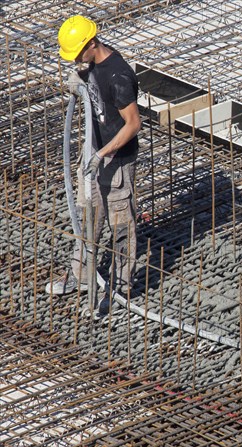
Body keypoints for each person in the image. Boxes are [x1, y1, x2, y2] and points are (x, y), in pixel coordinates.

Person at [46, 15, 141, 317]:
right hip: (94, 155)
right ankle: (81, 275)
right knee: (88, 218)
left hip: (117, 162)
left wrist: (103, 154)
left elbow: (133, 124)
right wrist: (80, 81)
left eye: (76, 55)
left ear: (91, 44)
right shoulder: (93, 64)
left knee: (121, 227)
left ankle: (120, 289)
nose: (74, 60)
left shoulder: (119, 76)